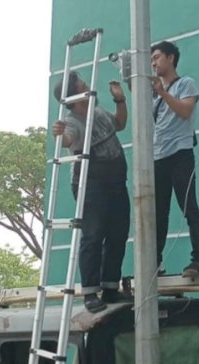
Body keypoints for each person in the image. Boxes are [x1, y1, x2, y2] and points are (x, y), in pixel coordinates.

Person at [52, 71, 130, 313]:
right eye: (83, 85)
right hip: (91, 183)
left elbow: (120, 124)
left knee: (118, 234)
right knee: (93, 235)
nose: (88, 87)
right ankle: (90, 292)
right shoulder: (73, 121)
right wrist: (60, 134)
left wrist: (120, 100)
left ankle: (109, 287)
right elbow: (68, 139)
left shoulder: (97, 110)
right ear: (75, 98)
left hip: (116, 180)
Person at [151, 40, 199, 278]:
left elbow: (185, 112)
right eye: (152, 59)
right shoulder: (154, 96)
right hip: (158, 157)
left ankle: (198, 261)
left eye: (157, 57)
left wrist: (163, 93)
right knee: (158, 213)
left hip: (180, 154)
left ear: (171, 57)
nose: (153, 62)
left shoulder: (186, 83)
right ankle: (154, 263)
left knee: (189, 207)